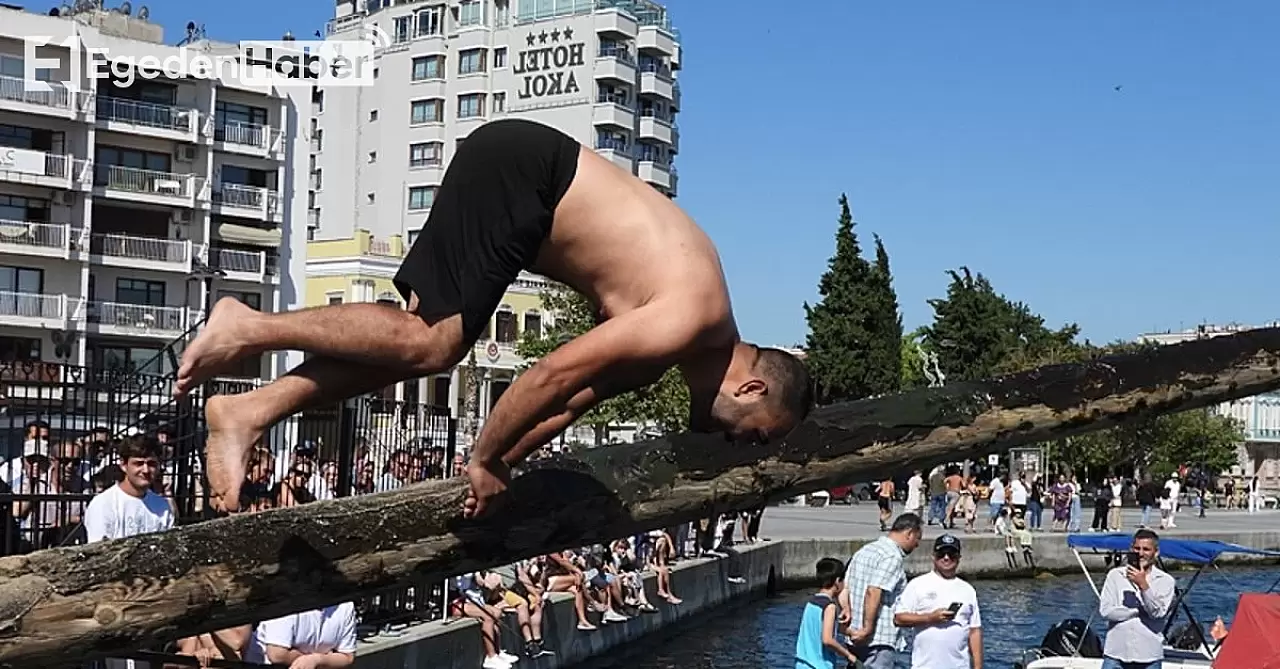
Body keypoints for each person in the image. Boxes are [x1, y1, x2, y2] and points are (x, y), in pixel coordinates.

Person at [172, 118, 814, 514]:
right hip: (524, 172)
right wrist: (483, 455)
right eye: (757, 432)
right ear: (750, 387)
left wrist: (501, 462)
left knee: (416, 347)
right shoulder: (686, 318)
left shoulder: (672, 351)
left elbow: (566, 407)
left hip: (528, 192)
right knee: (431, 345)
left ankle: (249, 410)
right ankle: (245, 326)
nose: (741, 443)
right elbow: (547, 376)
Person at [839, 513, 922, 669]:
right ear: (909, 533)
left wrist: (846, 610)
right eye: (918, 538)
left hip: (853, 635)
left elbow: (845, 588)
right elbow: (874, 591)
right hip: (877, 639)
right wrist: (867, 628)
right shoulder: (892, 557)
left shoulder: (865, 550)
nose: (917, 544)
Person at [893, 535, 984, 669]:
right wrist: (930, 618)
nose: (946, 558)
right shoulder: (917, 585)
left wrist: (978, 666)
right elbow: (899, 619)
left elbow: (974, 631)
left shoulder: (968, 590)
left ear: (959, 558)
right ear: (933, 556)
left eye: (952, 554)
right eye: (942, 554)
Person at [1098, 528, 1176, 669]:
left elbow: (1157, 613)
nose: (1140, 553)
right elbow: (1106, 611)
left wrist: (1143, 586)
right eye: (1137, 548)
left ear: (1156, 552)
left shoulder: (1166, 581)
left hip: (1149, 656)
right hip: (1116, 654)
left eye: (1146, 549)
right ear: (1131, 549)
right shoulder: (1115, 575)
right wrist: (1136, 611)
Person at [794, 558, 860, 669]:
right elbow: (827, 640)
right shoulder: (829, 607)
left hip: (802, 664)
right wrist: (849, 656)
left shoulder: (811, 603)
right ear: (837, 581)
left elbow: (819, 627)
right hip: (819, 665)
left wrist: (849, 632)